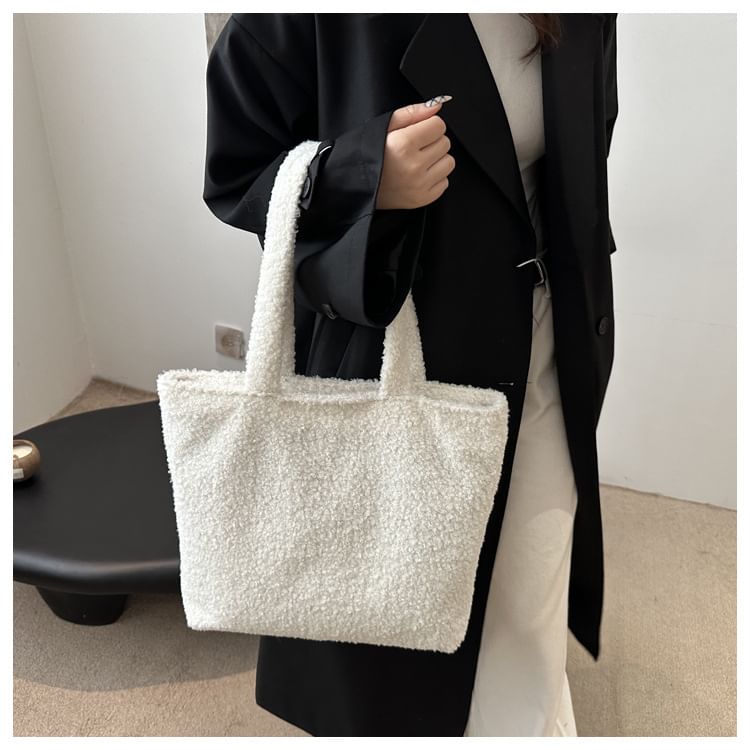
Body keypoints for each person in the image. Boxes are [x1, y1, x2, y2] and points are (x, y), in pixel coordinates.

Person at [203, 12, 618, 737]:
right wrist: (360, 173)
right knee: (393, 620)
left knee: (528, 586)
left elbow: (585, 141)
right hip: (404, 346)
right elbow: (236, 170)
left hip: (551, 339)